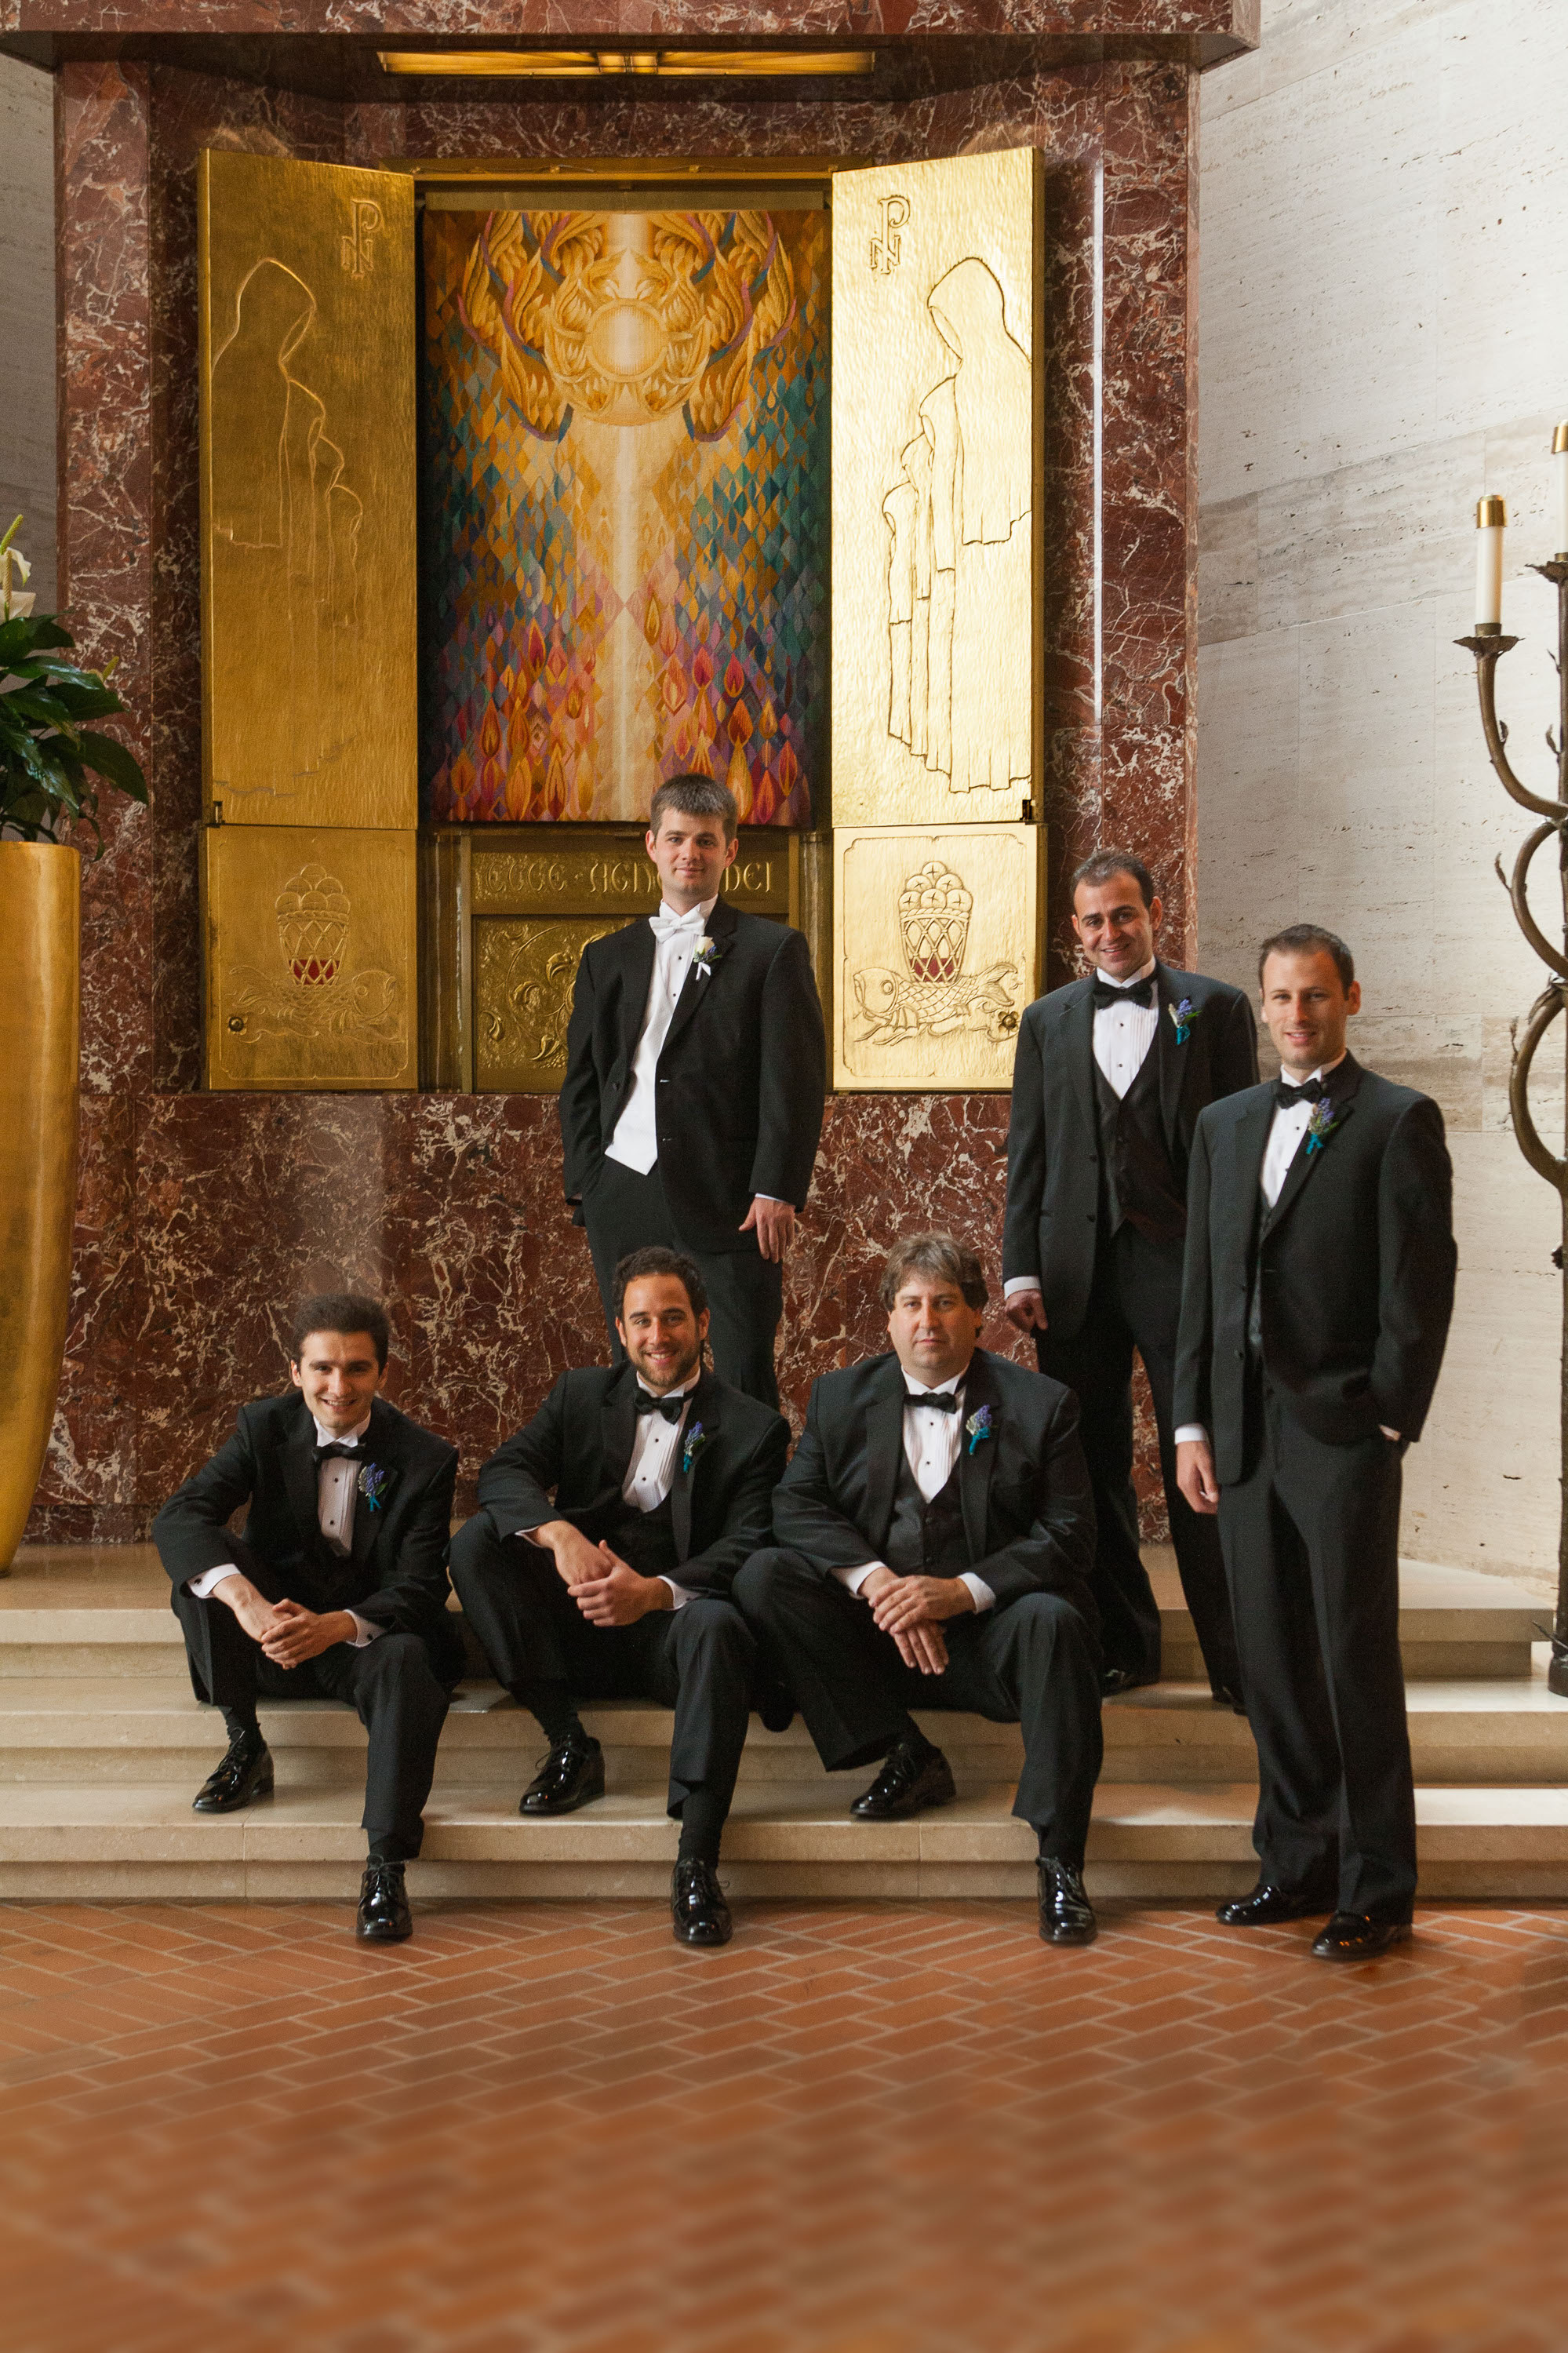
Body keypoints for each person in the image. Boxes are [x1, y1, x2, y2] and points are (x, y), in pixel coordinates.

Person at [1174, 925, 1457, 1961]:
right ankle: (1294, 1862)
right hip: (1239, 1429)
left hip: (1338, 1431)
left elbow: (1418, 1286)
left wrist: (1385, 1415)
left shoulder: (1395, 1120)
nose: (1296, 1015)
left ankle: (1375, 1885)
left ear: (1348, 997)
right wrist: (1192, 1422)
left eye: (1314, 996)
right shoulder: (1222, 1123)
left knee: (1349, 1657)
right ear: (1260, 1005)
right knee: (1268, 1660)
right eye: (1279, 997)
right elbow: (1206, 1285)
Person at [735, 1233, 1104, 1946]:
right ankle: (906, 1751)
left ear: (976, 1315)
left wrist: (958, 1592)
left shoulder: (1042, 1403)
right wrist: (880, 1585)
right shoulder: (840, 1395)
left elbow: (1069, 1536)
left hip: (991, 1641)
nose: (926, 1320)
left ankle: (1060, 1858)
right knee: (764, 1575)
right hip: (876, 1641)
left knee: (1056, 1620)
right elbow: (795, 1505)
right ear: (889, 1318)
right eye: (911, 1304)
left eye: (944, 1303)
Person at [449, 1247, 790, 1949]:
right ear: (620, 1327)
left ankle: (696, 1860)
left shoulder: (754, 1426)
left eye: (673, 1318)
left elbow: (752, 1541)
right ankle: (568, 1742)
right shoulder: (579, 1394)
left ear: (702, 1323)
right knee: (477, 1542)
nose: (657, 1336)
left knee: (720, 1623)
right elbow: (505, 1469)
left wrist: (657, 1593)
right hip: (574, 1623)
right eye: (641, 1321)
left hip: (670, 1635)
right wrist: (558, 1532)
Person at [1002, 850, 1258, 1703]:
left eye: (1123, 914)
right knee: (1090, 1463)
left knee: (1203, 1457)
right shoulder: (1046, 1020)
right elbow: (1028, 1154)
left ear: (1154, 913)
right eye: (1093, 920)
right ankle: (1124, 1642)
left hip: (1182, 1264)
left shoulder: (1213, 1008)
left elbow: (1241, 1152)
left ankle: (1236, 1663)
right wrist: (1019, 1269)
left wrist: (1236, 1270)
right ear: (1076, 930)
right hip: (1074, 1273)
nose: (1109, 932)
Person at [151, 1295, 464, 1945]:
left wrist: (337, 1624)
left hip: (362, 1641)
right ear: (295, 1372)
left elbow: (420, 1587)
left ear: (383, 1372)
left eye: (356, 1368)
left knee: (409, 1658)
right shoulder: (263, 1426)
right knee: (205, 1576)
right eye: (322, 1368)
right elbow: (182, 1516)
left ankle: (385, 1864)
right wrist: (249, 1605)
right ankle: (246, 1743)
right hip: (272, 1633)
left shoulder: (425, 1456)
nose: (338, 1386)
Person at [559, 772, 826, 1409]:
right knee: (638, 1367)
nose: (689, 853)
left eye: (705, 841)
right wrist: (587, 1182)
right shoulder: (607, 956)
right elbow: (582, 1081)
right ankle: (641, 1501)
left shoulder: (772, 951)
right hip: (621, 1188)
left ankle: (747, 1507)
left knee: (741, 1364)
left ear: (729, 851)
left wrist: (776, 1188)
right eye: (676, 838)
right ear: (651, 844)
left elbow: (794, 1081)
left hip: (730, 1194)